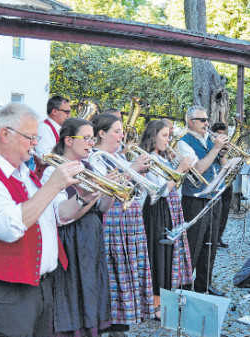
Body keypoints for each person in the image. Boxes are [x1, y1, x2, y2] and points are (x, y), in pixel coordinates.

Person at [0, 103, 91, 337]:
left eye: (36, 137)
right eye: (30, 137)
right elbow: (11, 227)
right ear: (5, 134)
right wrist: (52, 185)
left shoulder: (25, 174)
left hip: (44, 285)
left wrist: (83, 198)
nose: (36, 143)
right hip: (9, 291)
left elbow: (58, 216)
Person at [41, 117, 115, 336]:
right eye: (86, 138)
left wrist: (112, 189)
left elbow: (102, 208)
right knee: (71, 290)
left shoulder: (89, 165)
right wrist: (89, 197)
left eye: (92, 139)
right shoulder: (52, 170)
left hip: (91, 233)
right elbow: (63, 215)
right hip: (70, 237)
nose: (91, 143)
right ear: (68, 141)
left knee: (91, 288)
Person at [88, 113, 155, 333]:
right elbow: (104, 189)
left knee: (126, 272)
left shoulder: (118, 157)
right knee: (113, 274)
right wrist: (133, 170)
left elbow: (132, 189)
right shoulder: (94, 158)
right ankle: (109, 323)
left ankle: (121, 322)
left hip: (128, 223)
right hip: (111, 223)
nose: (121, 135)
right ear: (101, 134)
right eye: (117, 131)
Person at [138, 119, 194, 319]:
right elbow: (161, 190)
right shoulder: (148, 158)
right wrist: (180, 170)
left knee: (169, 253)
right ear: (152, 137)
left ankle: (164, 299)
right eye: (164, 135)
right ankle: (155, 303)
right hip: (157, 209)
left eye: (168, 135)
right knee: (159, 254)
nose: (168, 139)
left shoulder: (161, 158)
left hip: (169, 208)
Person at [176, 106, 228, 296]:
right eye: (203, 120)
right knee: (193, 243)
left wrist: (222, 154)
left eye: (207, 119)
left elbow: (221, 165)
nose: (207, 123)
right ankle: (186, 287)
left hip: (214, 195)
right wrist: (215, 149)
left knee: (211, 242)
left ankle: (204, 284)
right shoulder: (183, 143)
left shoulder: (209, 139)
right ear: (192, 122)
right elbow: (198, 169)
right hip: (195, 199)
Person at [34, 95, 71, 178]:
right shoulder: (44, 129)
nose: (69, 115)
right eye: (67, 112)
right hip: (46, 177)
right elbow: (43, 159)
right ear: (55, 111)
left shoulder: (58, 128)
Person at [211, 122, 232, 249]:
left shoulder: (224, 146)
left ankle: (218, 237)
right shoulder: (210, 145)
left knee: (224, 211)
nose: (222, 136)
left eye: (224, 134)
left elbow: (225, 165)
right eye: (219, 134)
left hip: (226, 180)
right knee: (215, 211)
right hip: (214, 182)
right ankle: (212, 237)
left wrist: (222, 153)